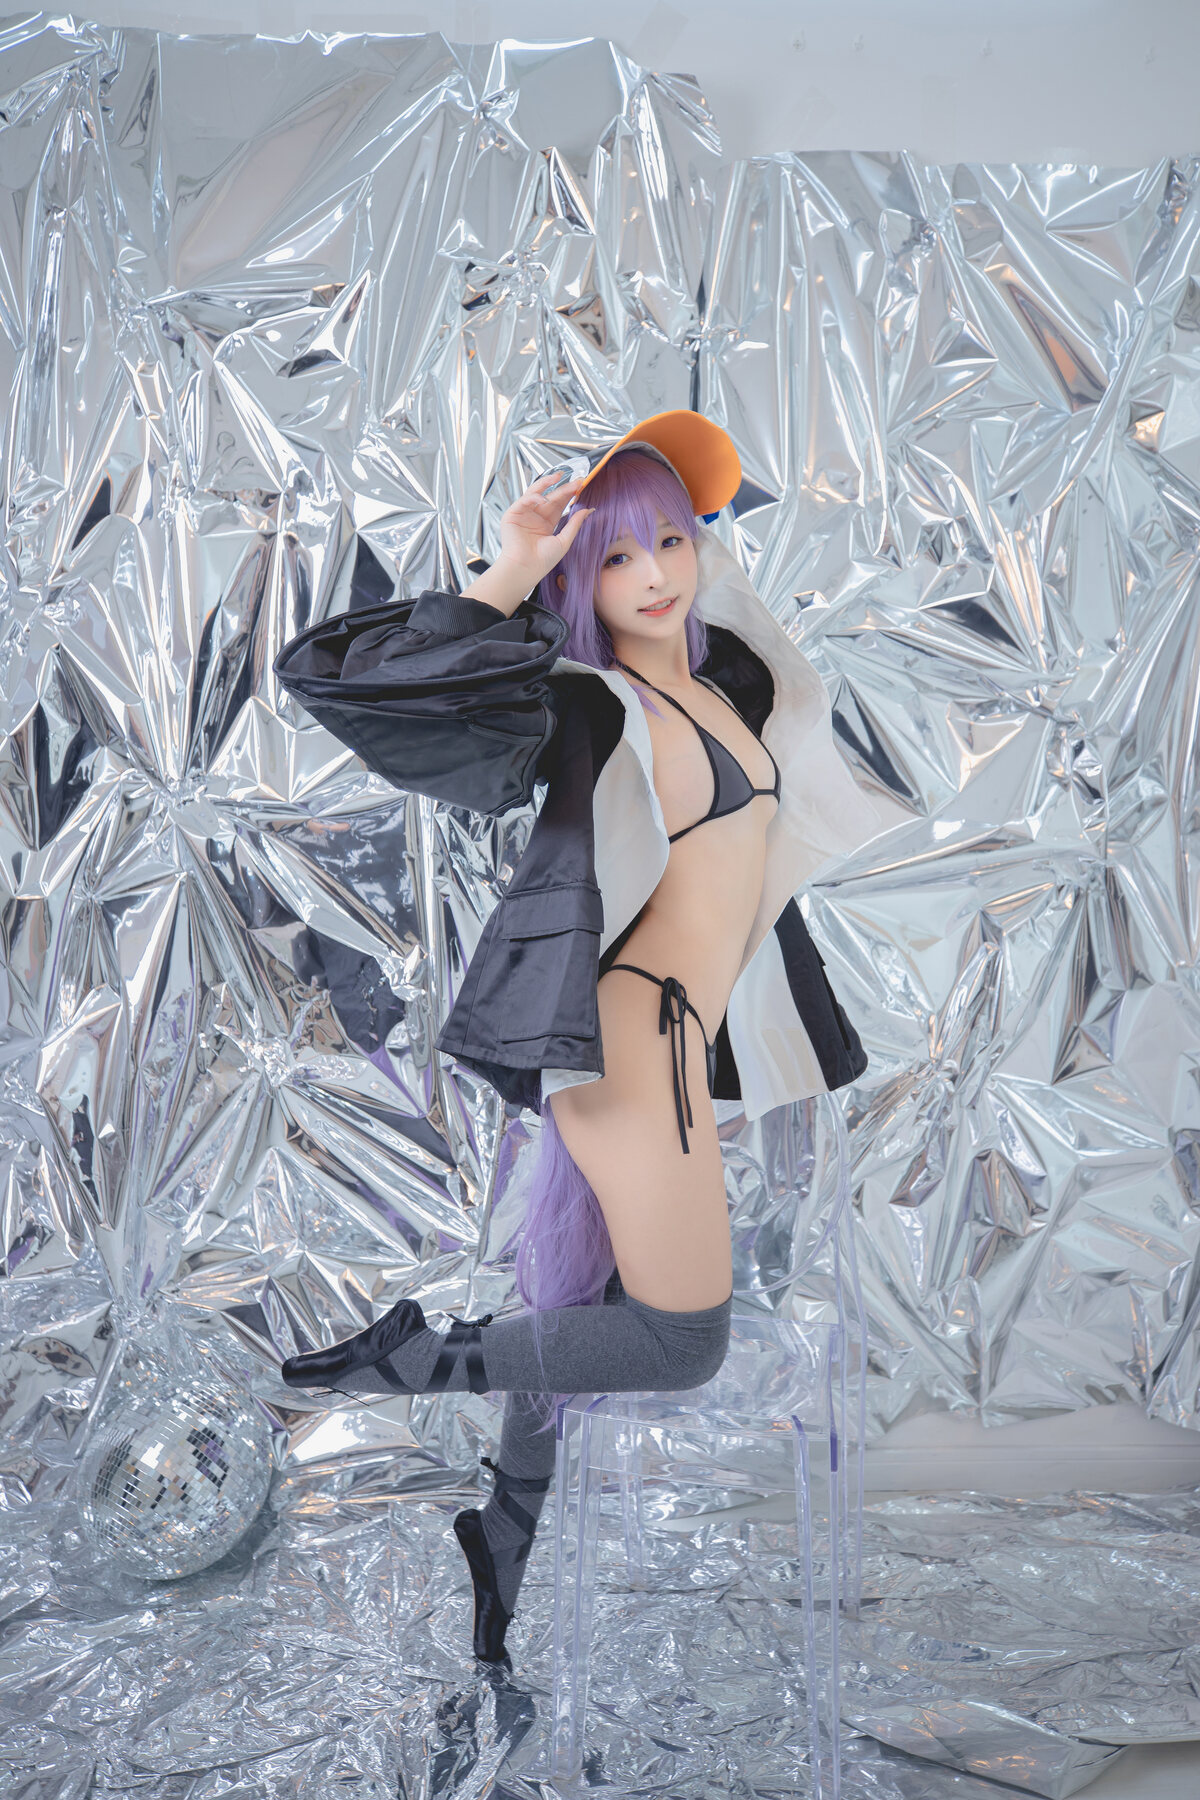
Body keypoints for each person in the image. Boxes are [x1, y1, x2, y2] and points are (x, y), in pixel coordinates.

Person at [273, 411, 891, 1666]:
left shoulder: (726, 679)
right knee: (678, 1339)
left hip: (679, 1042)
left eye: (672, 540)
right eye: (616, 556)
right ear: (578, 577)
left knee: (575, 1295)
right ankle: (417, 1359)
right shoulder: (578, 706)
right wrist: (513, 569)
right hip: (628, 1042)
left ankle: (503, 1536)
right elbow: (367, 677)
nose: (654, 574)